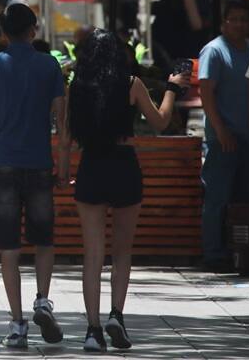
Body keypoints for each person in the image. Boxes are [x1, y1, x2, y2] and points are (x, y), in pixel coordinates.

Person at [60, 29, 181, 352]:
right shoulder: (131, 84)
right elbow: (160, 122)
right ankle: (116, 314)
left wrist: (63, 172)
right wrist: (172, 89)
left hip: (91, 166)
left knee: (92, 254)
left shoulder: (77, 87)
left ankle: (92, 330)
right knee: (122, 250)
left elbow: (66, 137)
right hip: (124, 165)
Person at [0, 3, 67, 350]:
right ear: (33, 30)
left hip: (4, 163)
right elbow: (62, 120)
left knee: (8, 246)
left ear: (3, 32)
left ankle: (17, 323)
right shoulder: (49, 64)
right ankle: (42, 299)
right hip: (40, 162)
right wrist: (64, 163)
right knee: (44, 239)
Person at [200, 0, 249, 270]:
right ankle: (213, 254)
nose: (239, 24)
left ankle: (241, 253)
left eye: (244, 19)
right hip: (223, 139)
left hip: (248, 137)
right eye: (234, 19)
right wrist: (220, 131)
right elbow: (206, 93)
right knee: (217, 199)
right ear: (224, 22)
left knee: (244, 200)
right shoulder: (214, 51)